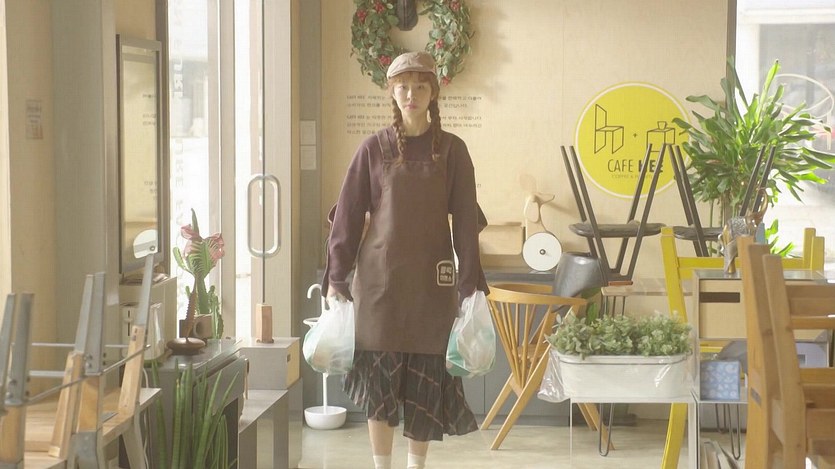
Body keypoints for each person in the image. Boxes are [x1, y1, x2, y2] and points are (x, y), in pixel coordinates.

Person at [322, 51, 489, 469]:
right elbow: (346, 217)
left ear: (433, 93)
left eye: (419, 87)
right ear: (392, 93)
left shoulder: (453, 151)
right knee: (379, 393)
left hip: (432, 290)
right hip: (379, 291)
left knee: (424, 389)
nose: (410, 94)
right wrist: (336, 279)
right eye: (402, 87)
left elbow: (465, 222)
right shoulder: (373, 148)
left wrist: (471, 285)